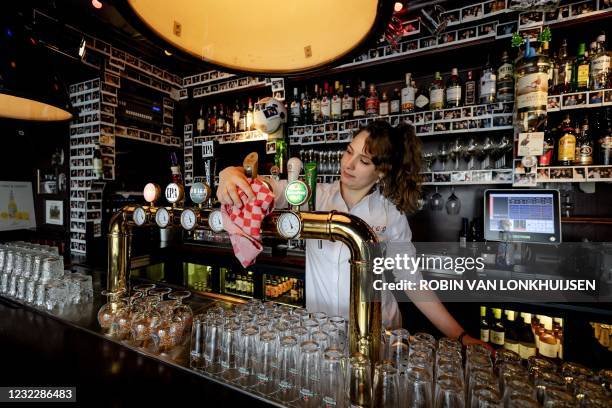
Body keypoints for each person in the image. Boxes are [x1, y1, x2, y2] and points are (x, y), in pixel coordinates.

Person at [217, 120, 487, 348]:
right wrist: (231, 173)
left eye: (364, 160)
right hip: (321, 335)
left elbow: (411, 281)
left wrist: (460, 336)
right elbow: (268, 186)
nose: (349, 164)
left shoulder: (390, 214)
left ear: (381, 172)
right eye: (348, 151)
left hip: (378, 333)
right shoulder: (313, 195)